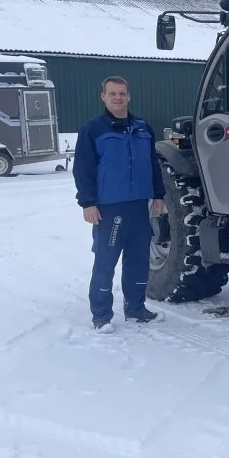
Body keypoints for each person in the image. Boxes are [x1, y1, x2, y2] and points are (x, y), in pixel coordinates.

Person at [73, 76, 166, 333]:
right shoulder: (93, 129)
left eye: (122, 93)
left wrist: (158, 194)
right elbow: (83, 169)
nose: (118, 98)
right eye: (112, 93)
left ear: (129, 96)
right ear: (103, 96)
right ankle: (101, 314)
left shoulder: (142, 127)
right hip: (109, 208)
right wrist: (88, 203)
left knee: (138, 261)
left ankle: (136, 309)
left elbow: (152, 163)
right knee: (106, 261)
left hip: (139, 206)